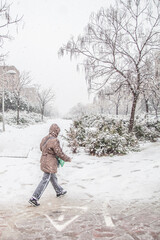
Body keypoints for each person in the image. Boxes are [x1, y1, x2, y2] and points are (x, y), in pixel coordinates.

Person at [29, 123, 71, 207]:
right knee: (46, 179)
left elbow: (41, 148)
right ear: (56, 131)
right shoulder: (55, 140)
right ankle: (34, 197)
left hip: (44, 159)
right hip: (50, 162)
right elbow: (59, 153)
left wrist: (47, 152)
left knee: (52, 177)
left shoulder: (45, 138)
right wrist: (67, 158)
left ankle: (59, 191)